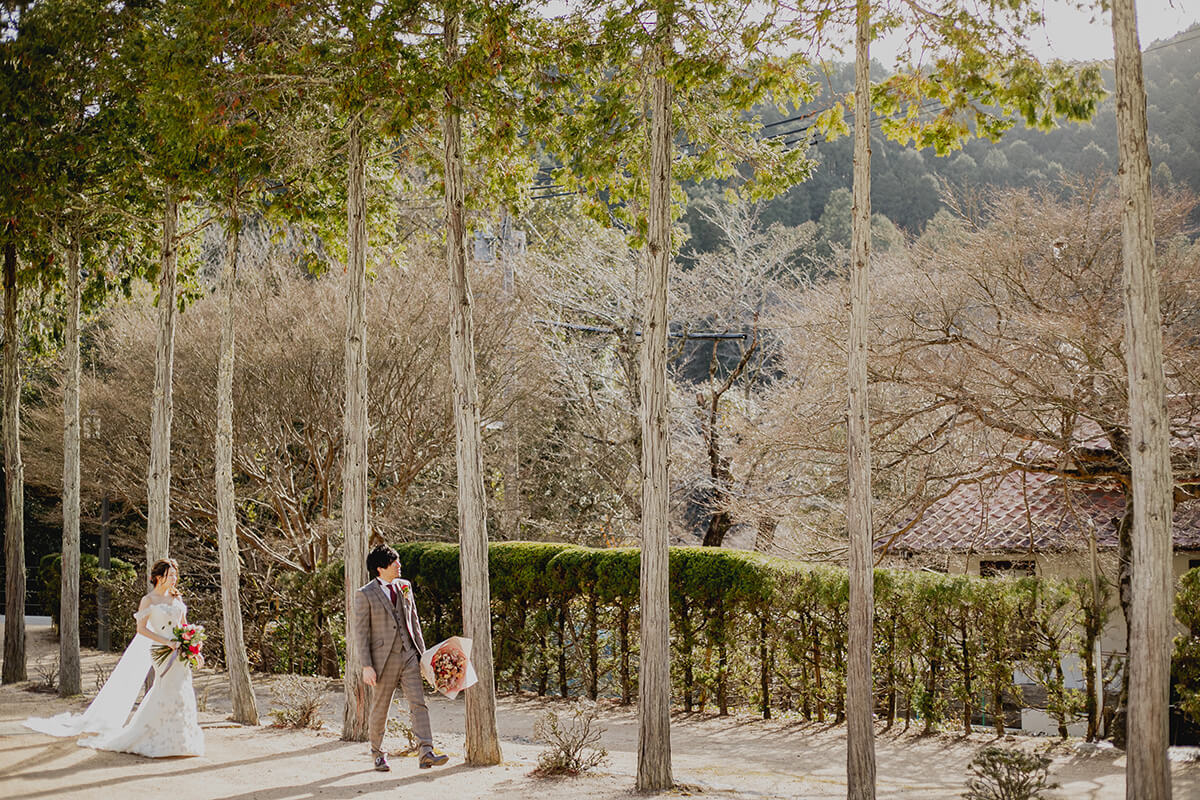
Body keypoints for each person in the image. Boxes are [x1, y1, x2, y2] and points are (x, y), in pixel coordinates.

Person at [25, 558, 205, 758]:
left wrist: (193, 650)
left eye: (175, 574)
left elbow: (184, 627)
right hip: (161, 651)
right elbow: (141, 629)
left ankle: (181, 739)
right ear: (157, 577)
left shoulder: (177, 598)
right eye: (170, 574)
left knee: (183, 688)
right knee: (166, 688)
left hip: (180, 651)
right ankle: (154, 736)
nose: (174, 578)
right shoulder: (149, 600)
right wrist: (166, 642)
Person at [353, 544, 449, 772]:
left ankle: (426, 751)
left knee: (419, 703)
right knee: (380, 708)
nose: (399, 565)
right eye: (394, 562)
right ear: (380, 568)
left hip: (409, 655)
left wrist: (424, 656)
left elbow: (414, 622)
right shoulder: (364, 594)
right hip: (382, 660)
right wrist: (366, 666)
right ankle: (377, 753)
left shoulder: (405, 587)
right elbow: (361, 632)